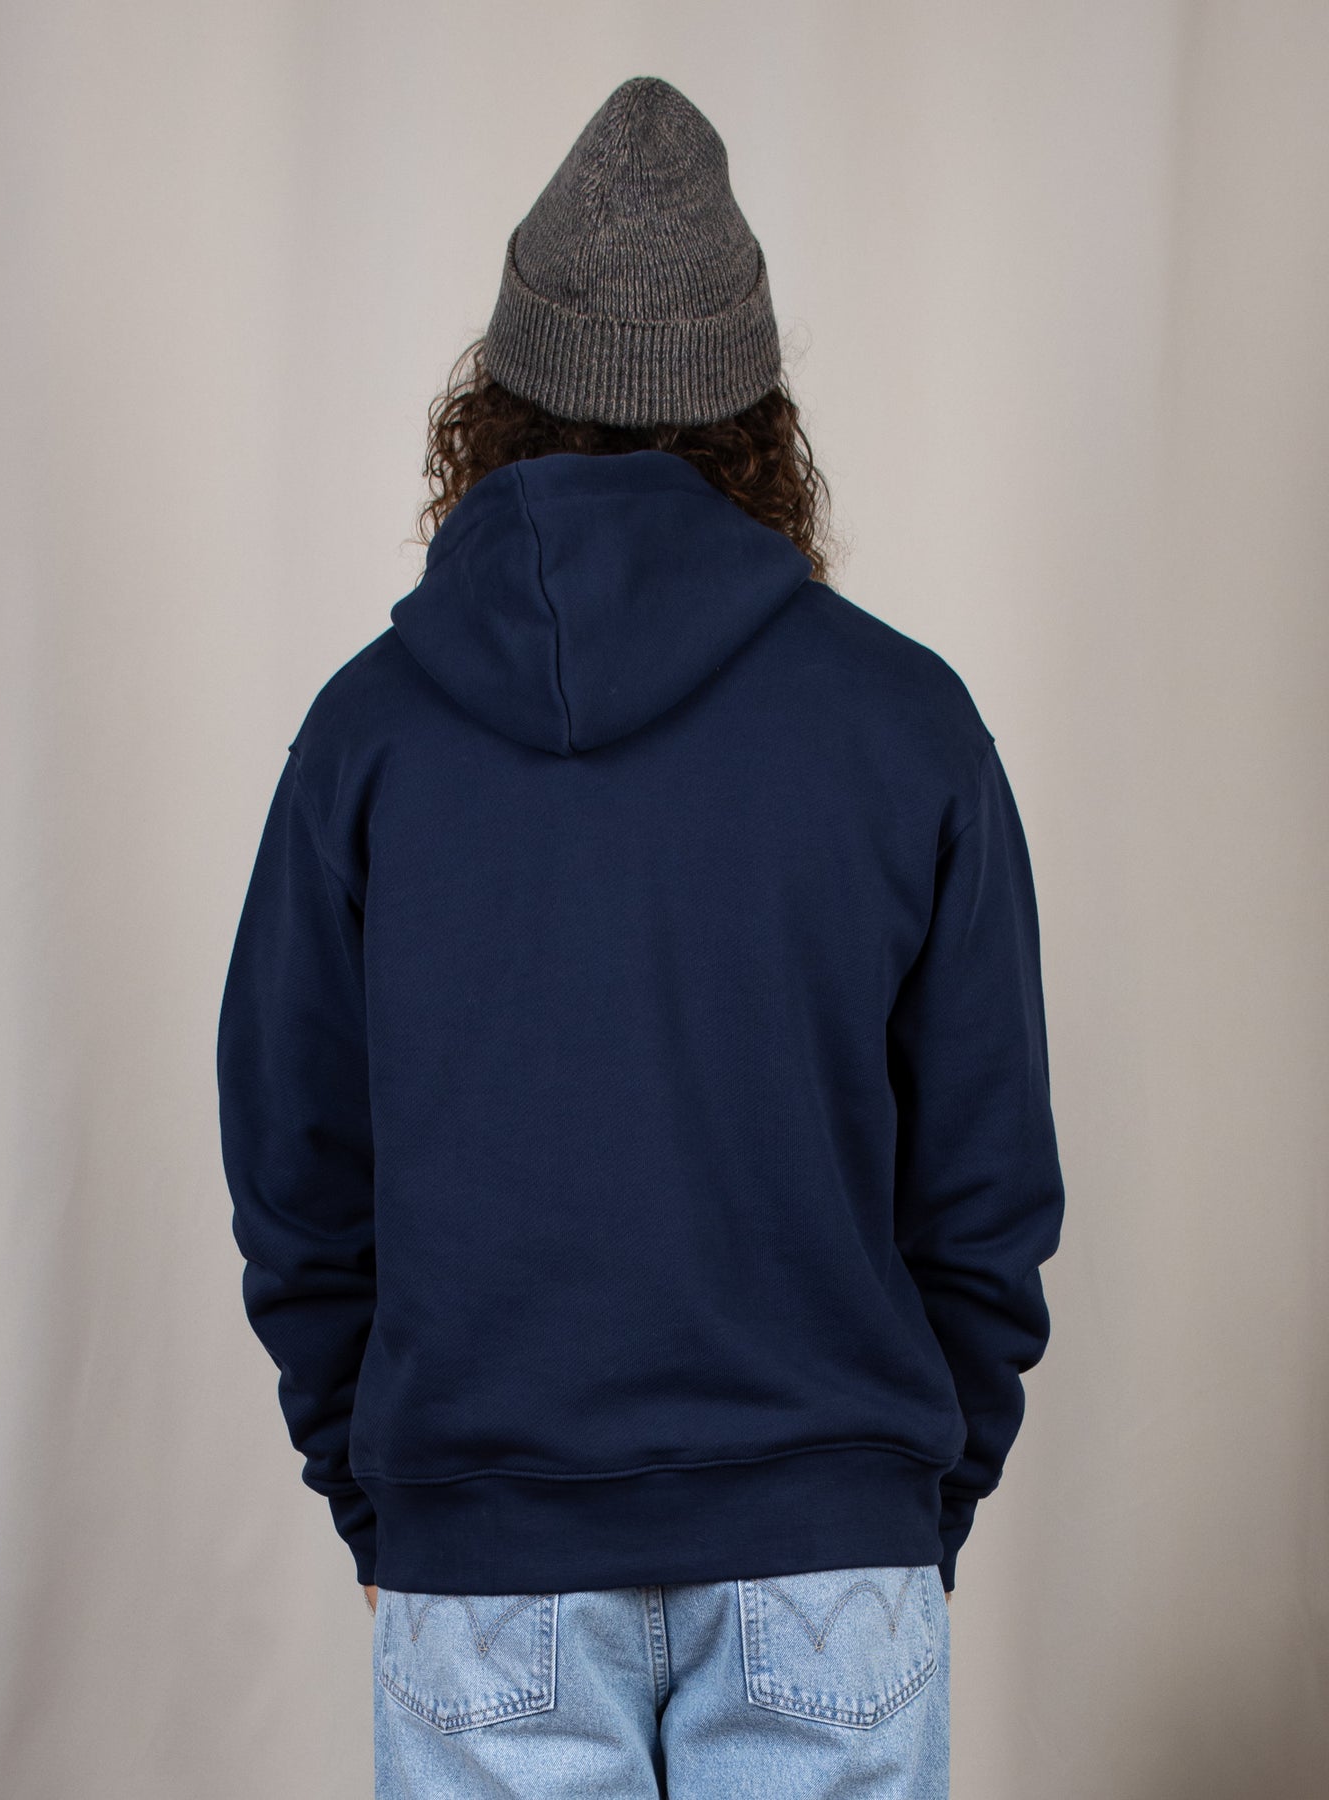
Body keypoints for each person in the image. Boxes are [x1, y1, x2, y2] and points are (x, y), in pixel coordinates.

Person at [216, 73, 1065, 1800]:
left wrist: (388, 1499)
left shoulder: (368, 738)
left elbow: (296, 1176)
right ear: (756, 417)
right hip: (829, 1549)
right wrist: (901, 1501)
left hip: (487, 1560)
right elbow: (985, 1194)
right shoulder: (906, 726)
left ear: (500, 402)